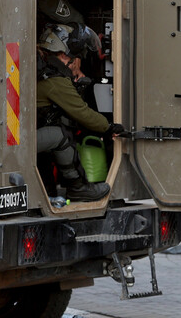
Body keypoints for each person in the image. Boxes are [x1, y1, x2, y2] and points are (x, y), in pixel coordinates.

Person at [36, 23, 124, 202]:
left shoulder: (43, 68)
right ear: (63, 55)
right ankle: (77, 188)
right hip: (21, 143)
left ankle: (51, 191)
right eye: (76, 57)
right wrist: (108, 128)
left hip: (25, 138)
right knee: (61, 136)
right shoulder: (54, 80)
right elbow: (81, 113)